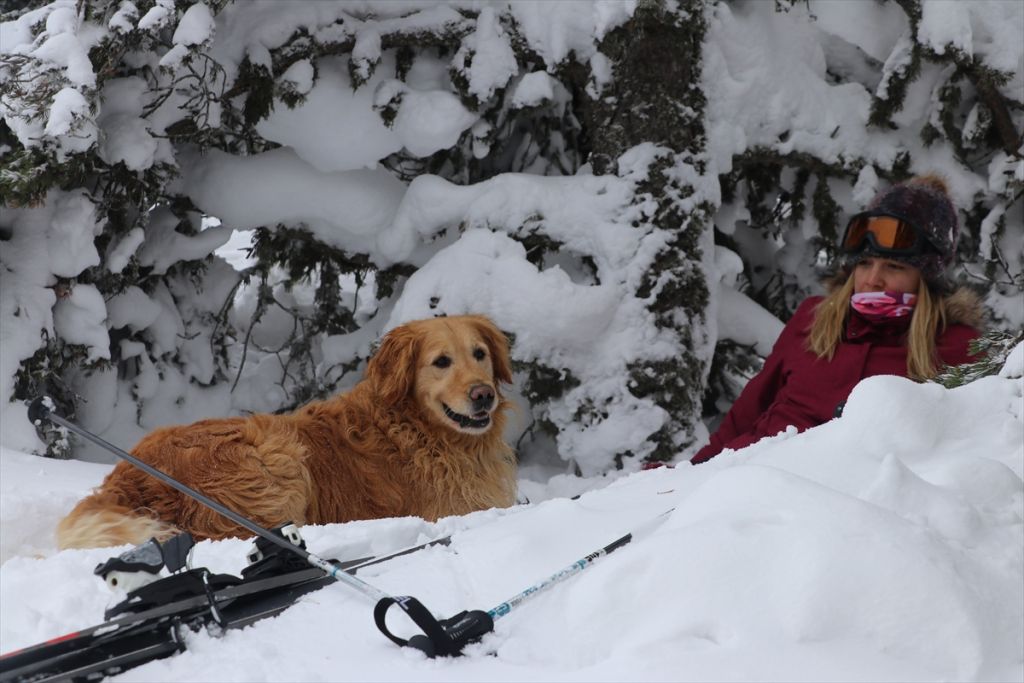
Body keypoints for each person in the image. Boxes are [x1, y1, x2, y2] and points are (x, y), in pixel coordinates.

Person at [691, 173, 983, 465]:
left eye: (893, 267)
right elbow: (745, 415)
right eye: (864, 263)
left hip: (832, 489)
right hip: (746, 474)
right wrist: (688, 477)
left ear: (926, 277)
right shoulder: (815, 319)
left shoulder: (958, 348)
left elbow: (969, 456)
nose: (872, 279)